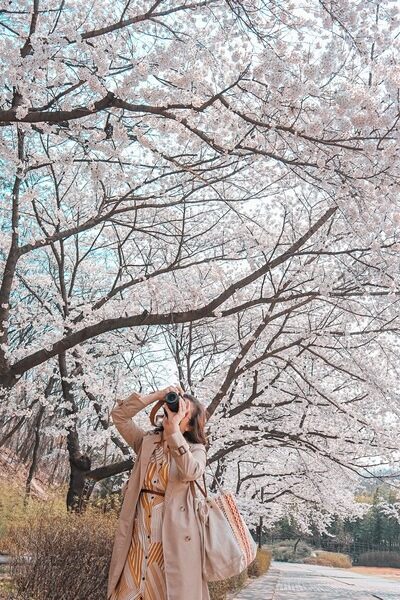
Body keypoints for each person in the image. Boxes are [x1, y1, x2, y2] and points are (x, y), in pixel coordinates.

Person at [107, 384, 210, 600]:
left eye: (182, 411)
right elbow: (119, 416)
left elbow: (192, 471)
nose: (174, 412)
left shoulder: (195, 450)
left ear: (191, 425)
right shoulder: (147, 442)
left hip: (170, 543)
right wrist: (157, 395)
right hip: (137, 536)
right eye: (174, 406)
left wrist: (174, 434)